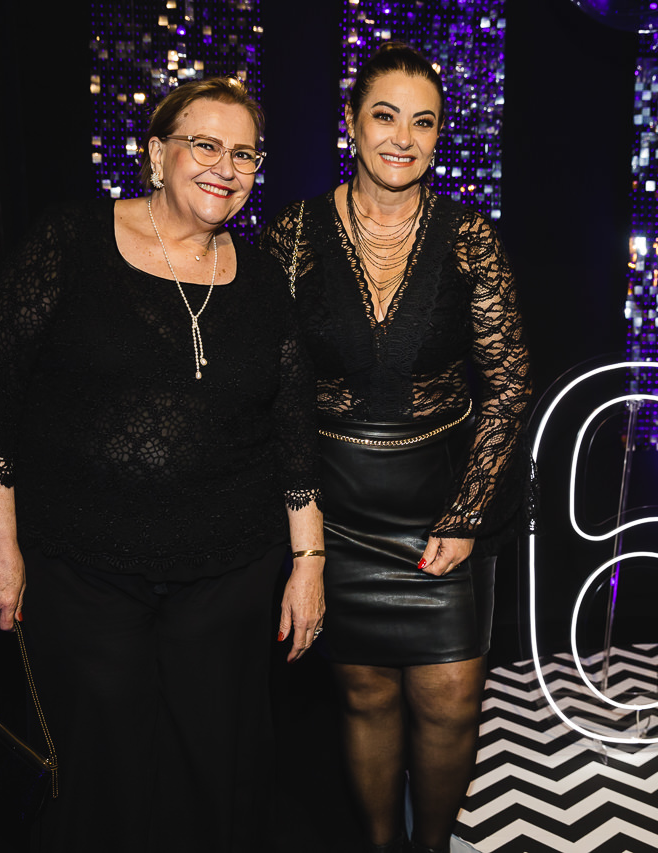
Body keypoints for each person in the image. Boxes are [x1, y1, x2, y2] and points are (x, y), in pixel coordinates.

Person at [0, 76, 325, 852]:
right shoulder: (71, 243)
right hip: (82, 566)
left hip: (227, 571)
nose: (225, 167)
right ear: (157, 153)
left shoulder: (263, 282)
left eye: (245, 154)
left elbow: (294, 435)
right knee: (97, 769)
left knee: (212, 765)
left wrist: (309, 563)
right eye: (205, 145)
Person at [262, 42, 533, 853]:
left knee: (451, 699)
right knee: (366, 696)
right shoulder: (294, 234)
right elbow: (272, 388)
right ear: (352, 123)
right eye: (386, 116)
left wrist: (466, 513)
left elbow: (510, 382)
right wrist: (304, 531)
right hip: (334, 508)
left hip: (442, 505)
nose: (404, 138)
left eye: (424, 122)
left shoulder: (469, 236)